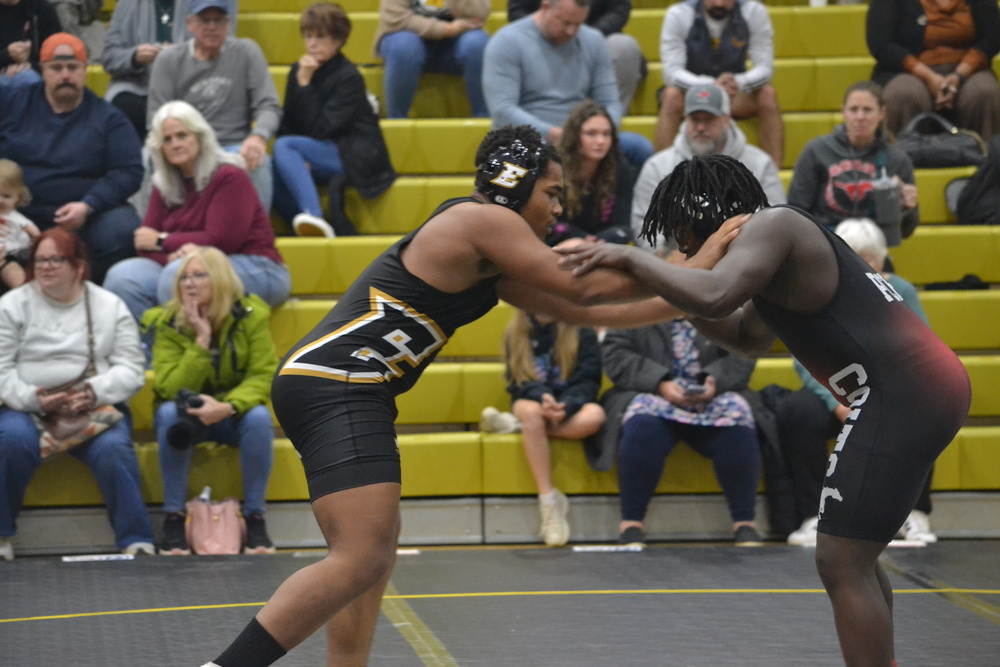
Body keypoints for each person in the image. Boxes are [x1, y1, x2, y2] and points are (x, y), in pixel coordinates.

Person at [198, 125, 744, 667]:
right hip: (338, 383)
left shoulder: (491, 257)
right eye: (552, 193)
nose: (559, 209)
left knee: (369, 554)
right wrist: (702, 260)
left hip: (338, 384)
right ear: (515, 182)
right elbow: (587, 286)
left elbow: (596, 310)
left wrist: (694, 284)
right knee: (363, 556)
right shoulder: (483, 221)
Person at [556, 154, 971, 666]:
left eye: (684, 236)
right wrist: (676, 289)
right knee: (853, 557)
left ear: (705, 215)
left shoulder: (774, 226)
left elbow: (714, 295)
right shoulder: (775, 247)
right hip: (914, 388)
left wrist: (633, 259)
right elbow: (746, 337)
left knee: (841, 561)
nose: (684, 251)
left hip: (902, 393)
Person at [779, 218, 938, 548]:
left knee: (927, 408)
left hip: (888, 391)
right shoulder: (816, 292)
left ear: (881, 261)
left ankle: (914, 512)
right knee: (797, 411)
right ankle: (813, 515)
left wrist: (882, 399)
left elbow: (920, 352)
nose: (864, 269)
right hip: (837, 389)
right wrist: (835, 402)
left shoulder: (901, 291)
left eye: (871, 261)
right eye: (855, 260)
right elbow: (804, 355)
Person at [0, 228, 154, 562]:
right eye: (40, 260)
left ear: (79, 266)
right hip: (27, 407)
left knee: (114, 448)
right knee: (11, 439)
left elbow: (131, 367)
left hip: (90, 407)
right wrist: (32, 399)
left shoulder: (109, 305)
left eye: (56, 259)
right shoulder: (12, 305)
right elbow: (1, 368)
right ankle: (1, 537)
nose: (46, 267)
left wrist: (94, 392)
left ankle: (137, 540)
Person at [143, 247, 279, 556]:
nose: (189, 284)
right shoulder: (167, 322)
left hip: (231, 415)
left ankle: (255, 518)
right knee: (168, 413)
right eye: (184, 278)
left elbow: (263, 374)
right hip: (188, 416)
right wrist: (201, 341)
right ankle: (174, 517)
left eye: (199, 276)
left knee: (259, 417)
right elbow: (169, 386)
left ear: (219, 279)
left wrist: (228, 407)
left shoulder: (252, 315)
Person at [103, 101, 291, 324]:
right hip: (188, 265)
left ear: (200, 137)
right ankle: (157, 347)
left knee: (180, 277)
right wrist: (169, 256)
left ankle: (197, 346)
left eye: (182, 136)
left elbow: (221, 240)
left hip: (257, 266)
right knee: (122, 278)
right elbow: (144, 243)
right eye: (167, 139)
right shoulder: (163, 183)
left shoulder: (229, 176)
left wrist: (163, 241)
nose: (175, 144)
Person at [600, 312, 763, 548]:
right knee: (641, 425)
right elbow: (616, 354)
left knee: (738, 418)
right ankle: (631, 524)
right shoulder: (632, 307)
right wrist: (659, 382)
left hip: (715, 395)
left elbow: (744, 350)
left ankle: (745, 523)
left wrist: (713, 380)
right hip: (652, 393)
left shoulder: (723, 304)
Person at [0, 32, 144, 285]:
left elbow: (128, 170)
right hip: (15, 211)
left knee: (122, 228)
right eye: (56, 68)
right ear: (42, 70)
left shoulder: (109, 118)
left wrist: (89, 205)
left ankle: (85, 294)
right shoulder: (13, 103)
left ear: (85, 70)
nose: (65, 75)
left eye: (73, 67)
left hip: (84, 217)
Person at [482, 0, 654, 170]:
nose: (571, 31)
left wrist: (601, 133)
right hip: (528, 137)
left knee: (638, 148)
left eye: (578, 24)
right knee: (533, 156)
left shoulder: (593, 40)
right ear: (545, 7)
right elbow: (502, 110)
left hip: (580, 136)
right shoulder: (507, 42)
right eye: (565, 22)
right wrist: (556, 135)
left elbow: (610, 102)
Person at [275, 2, 396, 239]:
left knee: (285, 146)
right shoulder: (298, 70)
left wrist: (305, 85)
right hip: (315, 150)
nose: (312, 43)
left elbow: (322, 128)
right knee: (270, 166)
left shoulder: (348, 76)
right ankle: (302, 226)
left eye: (320, 37)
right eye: (308, 36)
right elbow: (287, 123)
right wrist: (300, 158)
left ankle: (314, 216)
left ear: (338, 39)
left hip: (350, 154)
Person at [147, 0, 281, 211]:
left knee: (258, 160)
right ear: (190, 24)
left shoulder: (246, 51)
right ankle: (159, 226)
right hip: (187, 143)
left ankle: (258, 229)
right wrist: (184, 144)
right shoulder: (168, 60)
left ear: (228, 24)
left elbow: (268, 104)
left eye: (218, 21)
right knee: (148, 156)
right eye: (204, 20)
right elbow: (156, 118)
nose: (212, 27)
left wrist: (258, 136)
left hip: (234, 145)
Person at [501, 302, 605, 547]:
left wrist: (566, 405)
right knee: (532, 414)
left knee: (596, 416)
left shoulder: (582, 330)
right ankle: (549, 501)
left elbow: (589, 380)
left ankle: (522, 428)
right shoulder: (514, 332)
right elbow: (516, 381)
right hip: (532, 402)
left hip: (569, 406)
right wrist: (543, 398)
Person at [633, 83, 785, 249]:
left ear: (727, 120)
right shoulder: (657, 166)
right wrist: (666, 254)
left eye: (709, 119)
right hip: (678, 258)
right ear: (685, 120)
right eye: (695, 119)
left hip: (742, 255)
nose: (700, 127)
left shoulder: (760, 163)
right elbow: (643, 223)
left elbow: (775, 220)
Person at [656, 0, 783, 168]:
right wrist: (710, 85)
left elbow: (765, 68)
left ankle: (773, 172)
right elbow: (671, 73)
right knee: (671, 95)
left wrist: (738, 83)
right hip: (693, 96)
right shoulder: (679, 14)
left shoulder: (754, 12)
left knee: (767, 94)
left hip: (733, 94)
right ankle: (663, 172)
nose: (719, 3)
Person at [788, 81, 920, 242]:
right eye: (853, 110)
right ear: (843, 112)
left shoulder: (897, 159)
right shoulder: (816, 150)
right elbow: (796, 212)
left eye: (867, 110)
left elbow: (906, 231)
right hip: (825, 242)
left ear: (882, 114)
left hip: (874, 244)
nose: (860, 117)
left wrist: (907, 209)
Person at [101, 0, 239, 139]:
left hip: (193, 85)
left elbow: (221, 53)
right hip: (139, 87)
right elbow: (109, 57)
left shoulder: (211, 4)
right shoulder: (128, 4)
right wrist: (133, 57)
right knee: (125, 106)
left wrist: (183, 56)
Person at [867, 0, 1000, 140]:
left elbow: (993, 37)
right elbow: (881, 44)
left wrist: (960, 74)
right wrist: (928, 76)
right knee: (904, 93)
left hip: (967, 69)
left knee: (984, 91)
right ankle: (899, 153)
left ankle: (986, 152)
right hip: (907, 70)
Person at [507, 0, 645, 112]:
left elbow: (619, 9)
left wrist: (586, 37)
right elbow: (517, 11)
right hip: (545, 41)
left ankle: (606, 125)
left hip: (600, 40)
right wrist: (548, 32)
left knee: (623, 46)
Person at [373, 0, 490, 119]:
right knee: (403, 46)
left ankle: (484, 120)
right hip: (407, 41)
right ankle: (397, 122)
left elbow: (479, 14)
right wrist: (447, 29)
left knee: (477, 43)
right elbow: (396, 18)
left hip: (457, 42)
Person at [548, 100, 633, 245]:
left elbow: (624, 227)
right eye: (591, 134)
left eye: (606, 134)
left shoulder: (620, 170)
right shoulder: (553, 167)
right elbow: (548, 223)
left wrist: (600, 241)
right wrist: (581, 239)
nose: (600, 141)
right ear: (574, 136)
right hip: (559, 246)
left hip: (603, 247)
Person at [0, 0, 62, 89]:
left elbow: (57, 53)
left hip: (33, 74)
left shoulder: (41, 9)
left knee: (26, 77)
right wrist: (7, 54)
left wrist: (31, 65)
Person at [0, 159, 41, 292]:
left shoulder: (15, 217)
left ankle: (31, 293)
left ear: (17, 197)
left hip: (18, 253)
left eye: (6, 196)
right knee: (10, 270)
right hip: (4, 255)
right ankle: (25, 292)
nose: (0, 200)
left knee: (18, 271)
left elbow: (33, 231)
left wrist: (36, 238)